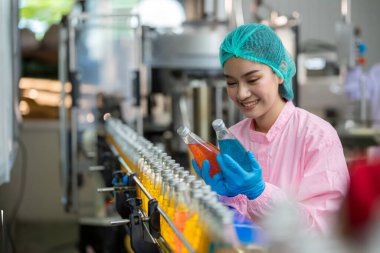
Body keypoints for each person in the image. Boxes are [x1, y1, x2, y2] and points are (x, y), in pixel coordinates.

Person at [192, 23, 350, 235]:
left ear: (279, 73)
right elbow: (234, 226)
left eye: (253, 79)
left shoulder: (317, 136)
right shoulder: (233, 137)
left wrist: (259, 193)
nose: (241, 94)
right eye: (231, 83)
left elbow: (325, 229)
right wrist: (226, 200)